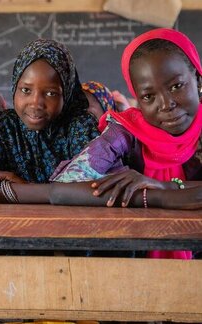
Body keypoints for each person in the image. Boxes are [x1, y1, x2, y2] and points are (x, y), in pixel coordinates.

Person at [49, 28, 202, 259]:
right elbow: (64, 186)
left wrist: (161, 187)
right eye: (148, 97)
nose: (166, 104)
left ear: (198, 79)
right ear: (137, 99)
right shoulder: (126, 131)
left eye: (176, 86)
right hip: (135, 258)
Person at [0, 39, 115, 201]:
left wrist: (23, 185)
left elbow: (92, 191)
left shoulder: (80, 126)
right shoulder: (1, 126)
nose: (36, 103)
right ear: (15, 87)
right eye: (26, 90)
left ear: (66, 94)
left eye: (50, 93)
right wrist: (56, 193)